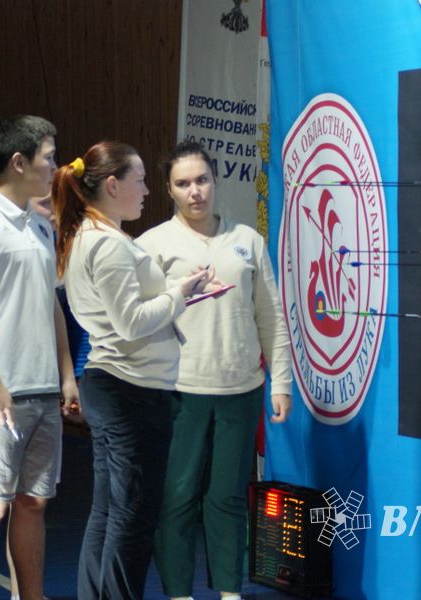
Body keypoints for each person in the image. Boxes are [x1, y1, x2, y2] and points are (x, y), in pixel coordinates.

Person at [51, 141, 212, 600]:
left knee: (110, 511)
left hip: (119, 386)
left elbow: (126, 312)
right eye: (140, 180)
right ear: (112, 184)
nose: (146, 190)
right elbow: (131, 322)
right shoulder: (107, 246)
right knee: (133, 516)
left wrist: (182, 291)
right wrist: (179, 293)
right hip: (130, 392)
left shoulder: (87, 237)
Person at [136, 140, 292, 600]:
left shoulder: (247, 241)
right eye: (183, 184)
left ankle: (229, 591)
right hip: (178, 391)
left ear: (215, 181)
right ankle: (179, 593)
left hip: (241, 389)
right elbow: (132, 318)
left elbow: (271, 315)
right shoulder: (151, 246)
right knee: (177, 498)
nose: (195, 192)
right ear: (168, 190)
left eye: (202, 180)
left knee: (226, 497)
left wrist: (279, 382)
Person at [0, 115, 79, 600]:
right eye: (49, 156)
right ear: (19, 161)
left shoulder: (40, 226)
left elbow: (52, 305)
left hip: (43, 390)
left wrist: (67, 375)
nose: (56, 166)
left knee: (33, 503)